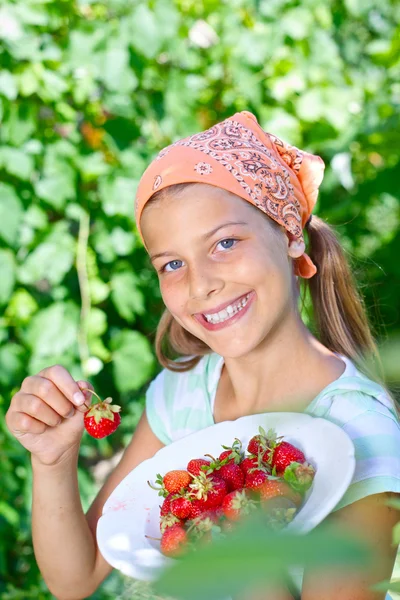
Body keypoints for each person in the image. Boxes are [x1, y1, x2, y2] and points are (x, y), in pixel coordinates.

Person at [5, 110, 400, 600]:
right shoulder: (188, 388)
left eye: (225, 243)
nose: (200, 284)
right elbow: (74, 576)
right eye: (172, 264)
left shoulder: (362, 433)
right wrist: (52, 460)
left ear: (290, 233)